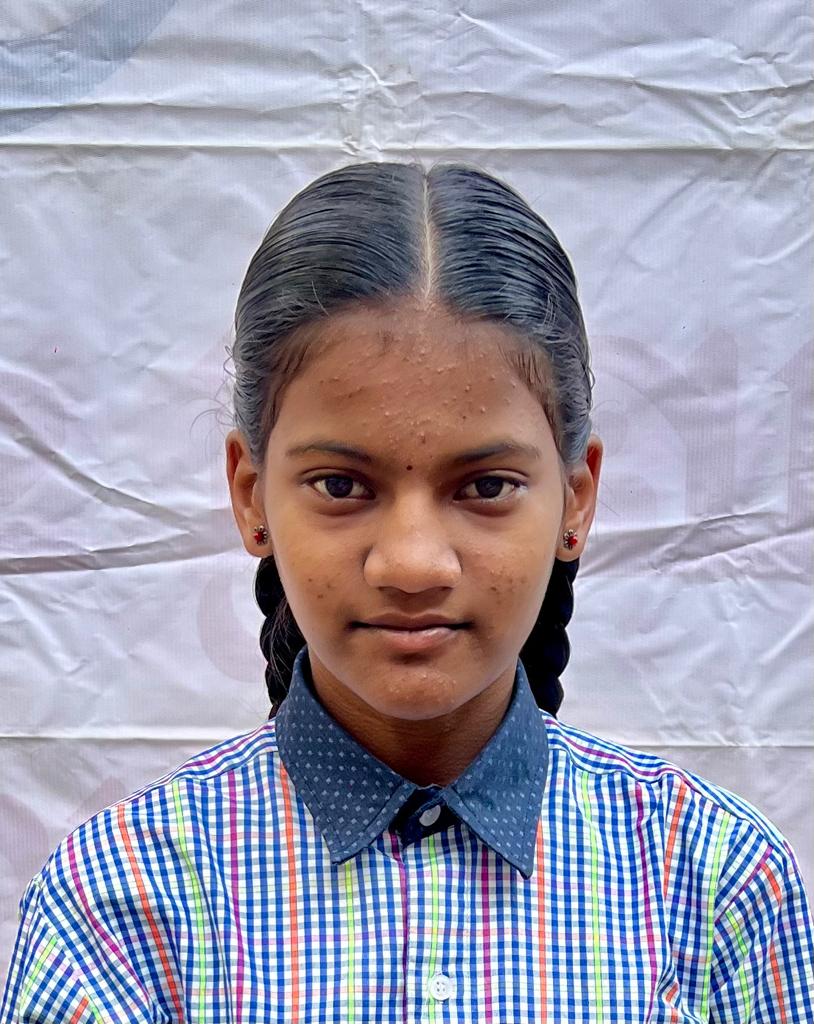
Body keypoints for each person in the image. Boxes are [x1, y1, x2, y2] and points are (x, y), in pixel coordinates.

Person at [2, 161, 812, 1023]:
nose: (414, 565)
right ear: (251, 496)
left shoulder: (715, 886)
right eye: (342, 486)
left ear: (576, 500)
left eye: (487, 486)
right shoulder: (120, 908)